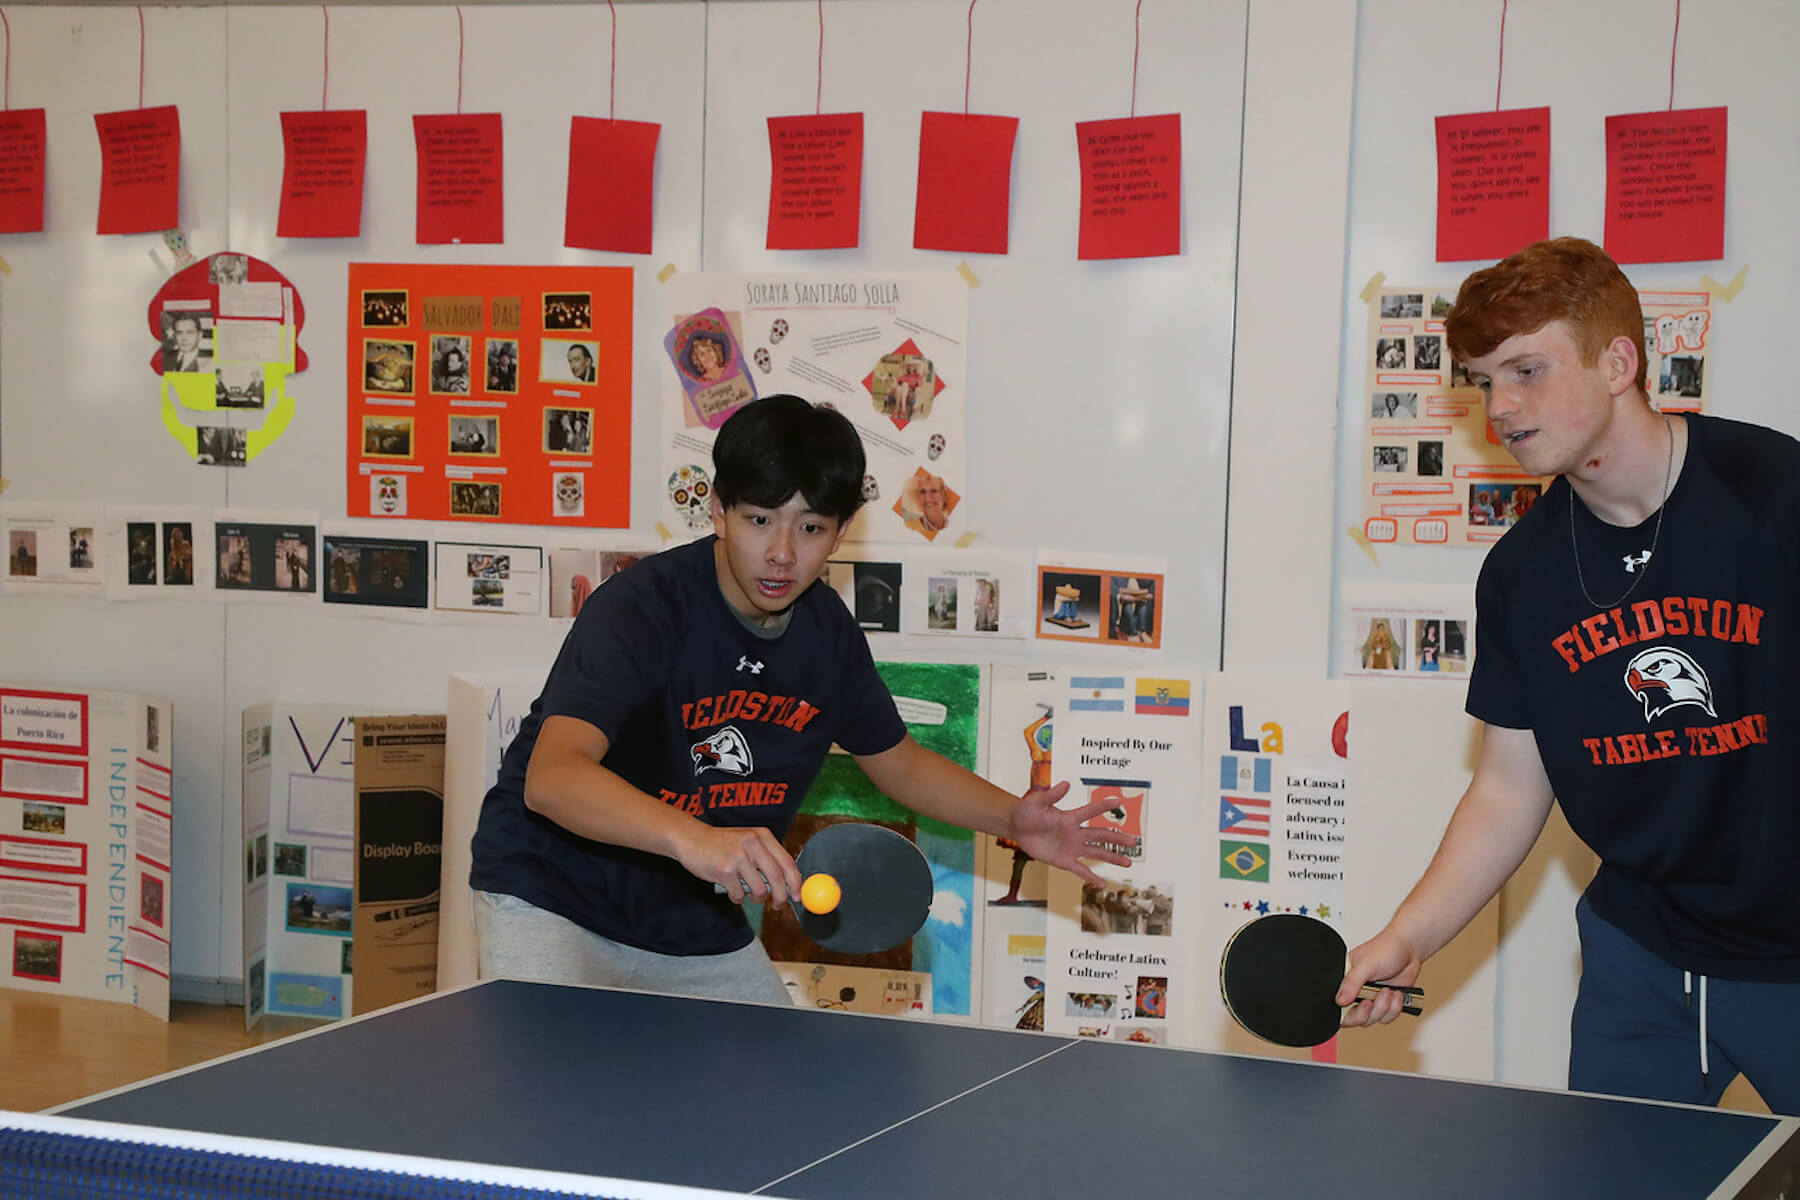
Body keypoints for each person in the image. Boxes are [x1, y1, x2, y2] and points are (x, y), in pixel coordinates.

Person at [469, 394, 1136, 1003]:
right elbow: (551, 779)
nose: (782, 553)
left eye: (811, 528)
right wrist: (696, 839)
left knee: (773, 1097)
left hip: (691, 922)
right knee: (547, 1115)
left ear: (842, 531)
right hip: (553, 896)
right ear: (719, 511)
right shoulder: (643, 609)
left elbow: (899, 763)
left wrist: (1014, 822)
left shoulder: (828, 638)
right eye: (760, 520)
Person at [1338, 237, 1800, 1115]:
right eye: (1482, 381)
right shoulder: (1522, 574)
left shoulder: (1775, 494)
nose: (1500, 408)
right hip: (1643, 957)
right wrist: (1410, 934)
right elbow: (1510, 790)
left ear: (1618, 360)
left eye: (1526, 370)